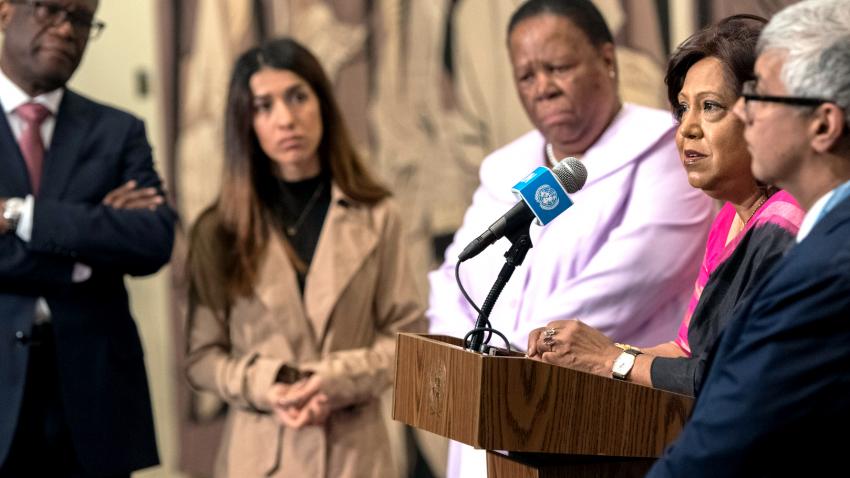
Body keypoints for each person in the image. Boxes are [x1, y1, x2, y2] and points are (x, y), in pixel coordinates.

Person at [427, 0, 714, 476]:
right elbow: (452, 281)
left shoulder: (665, 152)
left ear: (607, 59)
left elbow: (625, 284)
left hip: (595, 425)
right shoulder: (505, 168)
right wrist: (467, 360)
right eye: (527, 76)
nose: (543, 88)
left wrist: (490, 358)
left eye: (558, 67)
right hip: (488, 416)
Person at [184, 37, 426, 478]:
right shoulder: (218, 229)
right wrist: (268, 383)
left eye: (298, 96)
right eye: (264, 106)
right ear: (246, 122)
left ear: (322, 103)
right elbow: (202, 359)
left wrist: (336, 378)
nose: (286, 119)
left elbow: (408, 343)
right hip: (260, 457)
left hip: (357, 455)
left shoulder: (377, 214)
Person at [526, 15, 805, 397]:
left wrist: (610, 359)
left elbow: (732, 376)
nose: (687, 129)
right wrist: (586, 354)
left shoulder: (788, 220)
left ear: (763, 115)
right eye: (682, 109)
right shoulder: (729, 219)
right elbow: (686, 354)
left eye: (710, 107)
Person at [647, 0, 850, 475]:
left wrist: (611, 362)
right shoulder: (815, 238)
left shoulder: (820, 264)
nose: (749, 115)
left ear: (823, 124)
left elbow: (726, 431)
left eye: (762, 99)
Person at [0, 0, 176, 476]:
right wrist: (91, 237)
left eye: (81, 19)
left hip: (95, 398)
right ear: (4, 11)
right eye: (50, 9)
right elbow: (119, 239)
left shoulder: (119, 131)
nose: (66, 28)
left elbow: (153, 239)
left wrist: (20, 216)